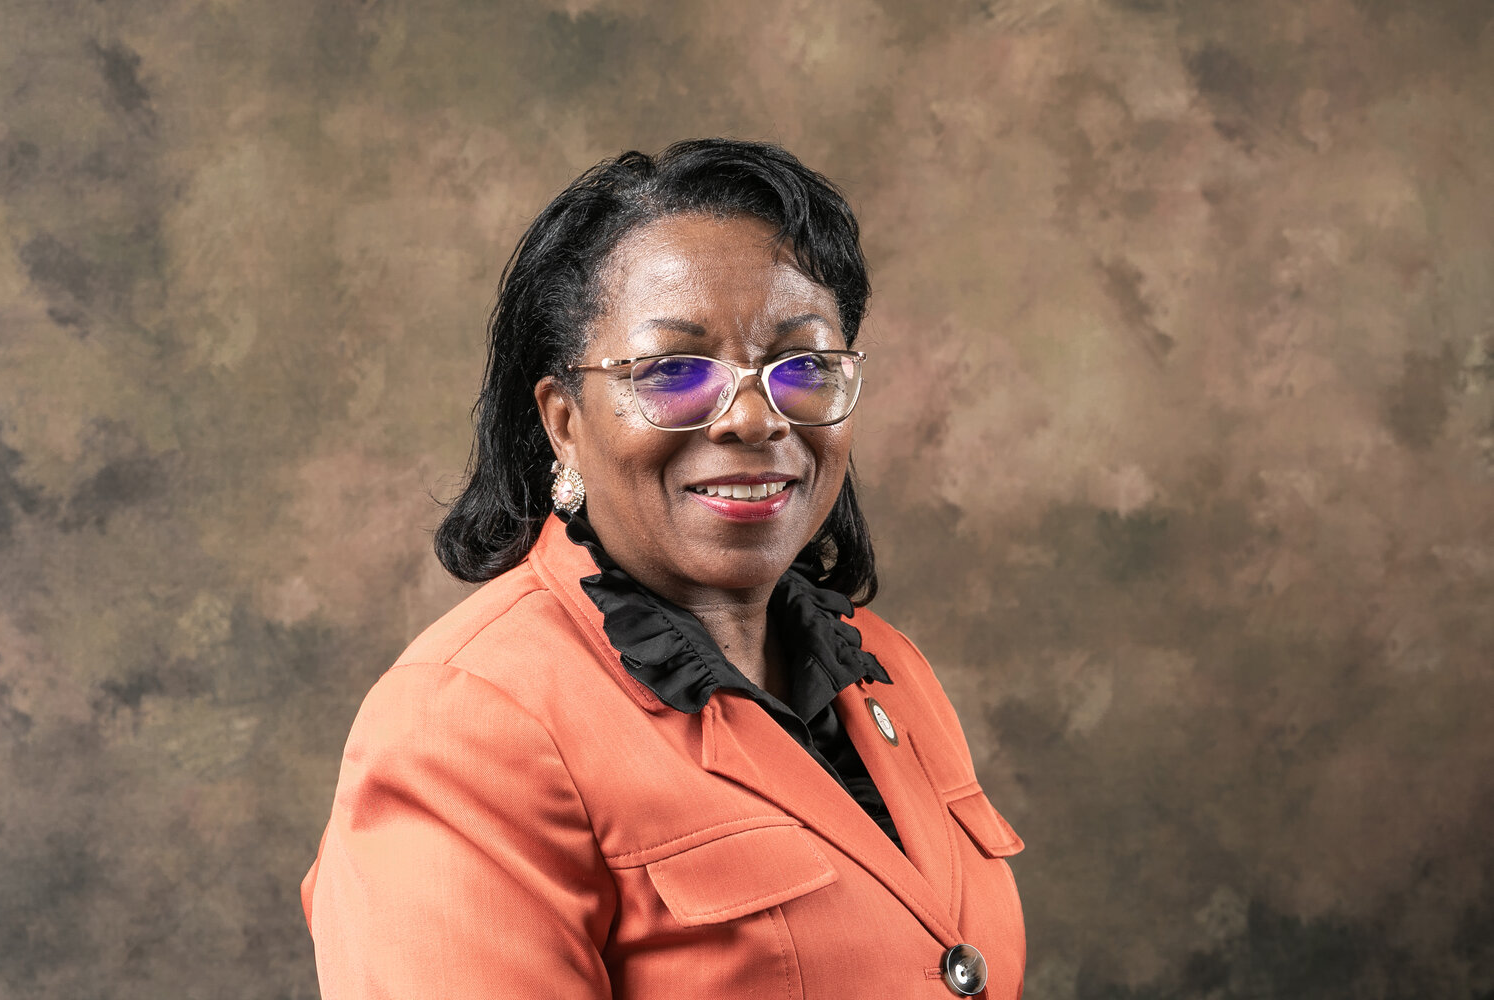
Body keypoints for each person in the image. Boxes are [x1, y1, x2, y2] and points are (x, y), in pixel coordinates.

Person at [301, 138, 1025, 999]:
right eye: (674, 371)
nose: (754, 419)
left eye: (804, 366)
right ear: (564, 423)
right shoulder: (460, 726)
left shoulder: (893, 673)